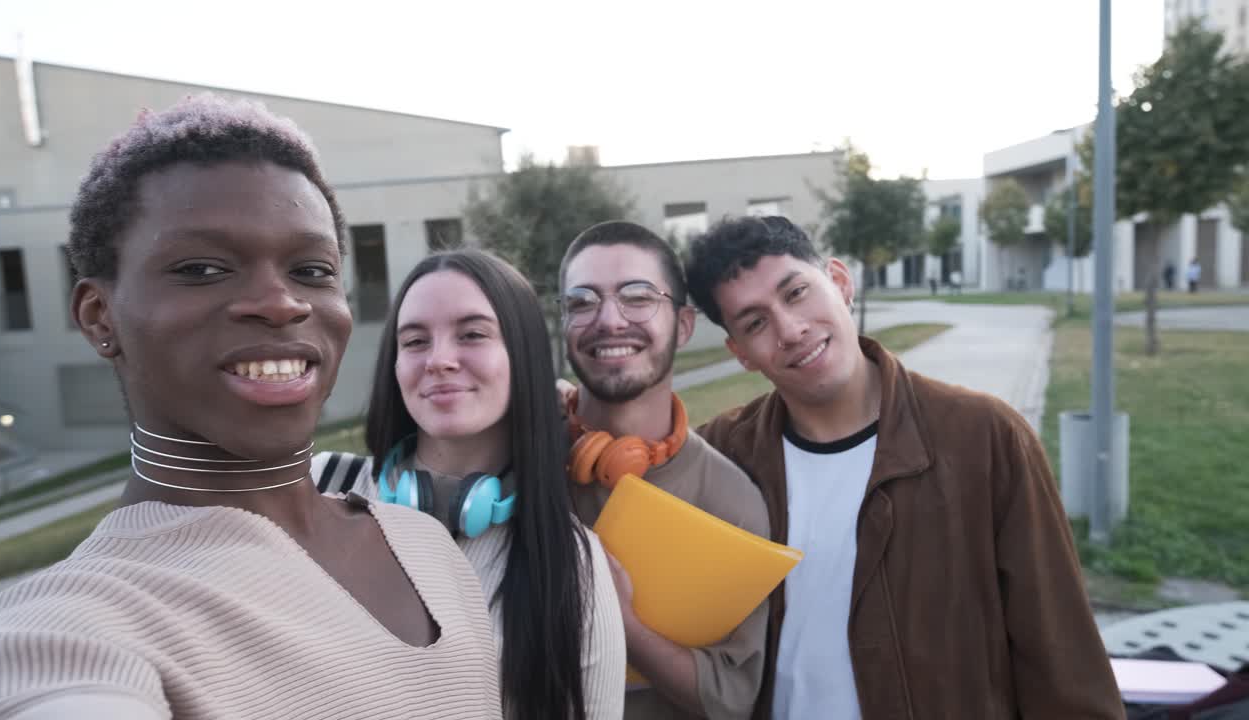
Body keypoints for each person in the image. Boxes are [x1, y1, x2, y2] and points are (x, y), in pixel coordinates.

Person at [0, 95, 501, 718]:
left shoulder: (427, 545)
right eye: (202, 269)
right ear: (98, 316)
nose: (281, 303)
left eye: (312, 270)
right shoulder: (70, 626)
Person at [683, 215, 1124, 720]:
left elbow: (1063, 662)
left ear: (840, 282)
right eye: (755, 323)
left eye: (797, 293)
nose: (791, 329)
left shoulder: (985, 439)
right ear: (739, 353)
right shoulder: (721, 457)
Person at [314, 249, 625, 720]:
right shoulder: (317, 486)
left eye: (472, 334)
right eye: (415, 341)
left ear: (522, 356)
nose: (439, 360)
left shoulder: (571, 564)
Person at [558, 221, 770, 720]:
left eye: (637, 297)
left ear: (684, 325)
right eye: (582, 302)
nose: (609, 320)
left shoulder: (731, 502)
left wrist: (622, 622)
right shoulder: (513, 460)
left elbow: (731, 699)